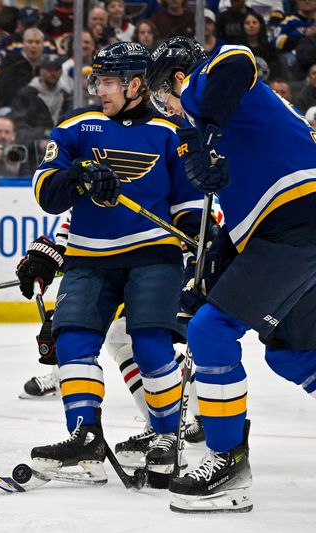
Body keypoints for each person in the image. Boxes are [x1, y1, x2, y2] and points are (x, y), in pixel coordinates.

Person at [147, 36, 316, 513]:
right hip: (284, 231)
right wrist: (213, 267)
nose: (168, 108)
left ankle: (228, 462)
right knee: (293, 355)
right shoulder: (210, 131)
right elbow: (242, 221)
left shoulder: (207, 84)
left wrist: (205, 130)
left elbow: (238, 57)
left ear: (179, 78)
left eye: (164, 95)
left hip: (299, 222)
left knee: (212, 330)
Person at [24, 41, 204, 488]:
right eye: (98, 80)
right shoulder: (76, 129)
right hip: (88, 258)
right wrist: (78, 177)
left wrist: (202, 242)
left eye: (107, 81)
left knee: (149, 344)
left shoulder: (171, 132)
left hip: (153, 256)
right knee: (72, 341)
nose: (98, 88)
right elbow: (48, 191)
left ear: (135, 84)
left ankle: (165, 438)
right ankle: (84, 438)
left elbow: (187, 206)